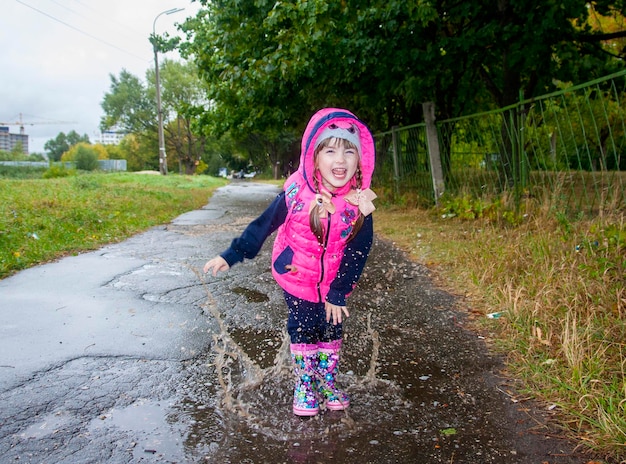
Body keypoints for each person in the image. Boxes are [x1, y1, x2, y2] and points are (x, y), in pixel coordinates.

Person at [203, 108, 377, 416]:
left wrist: (339, 290)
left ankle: (326, 380)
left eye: (349, 151)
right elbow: (263, 225)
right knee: (305, 326)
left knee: (332, 329)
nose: (340, 160)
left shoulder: (358, 203)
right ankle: (305, 385)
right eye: (330, 150)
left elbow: (358, 250)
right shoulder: (296, 194)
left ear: (360, 159)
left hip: (333, 281)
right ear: (314, 156)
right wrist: (232, 254)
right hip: (297, 275)